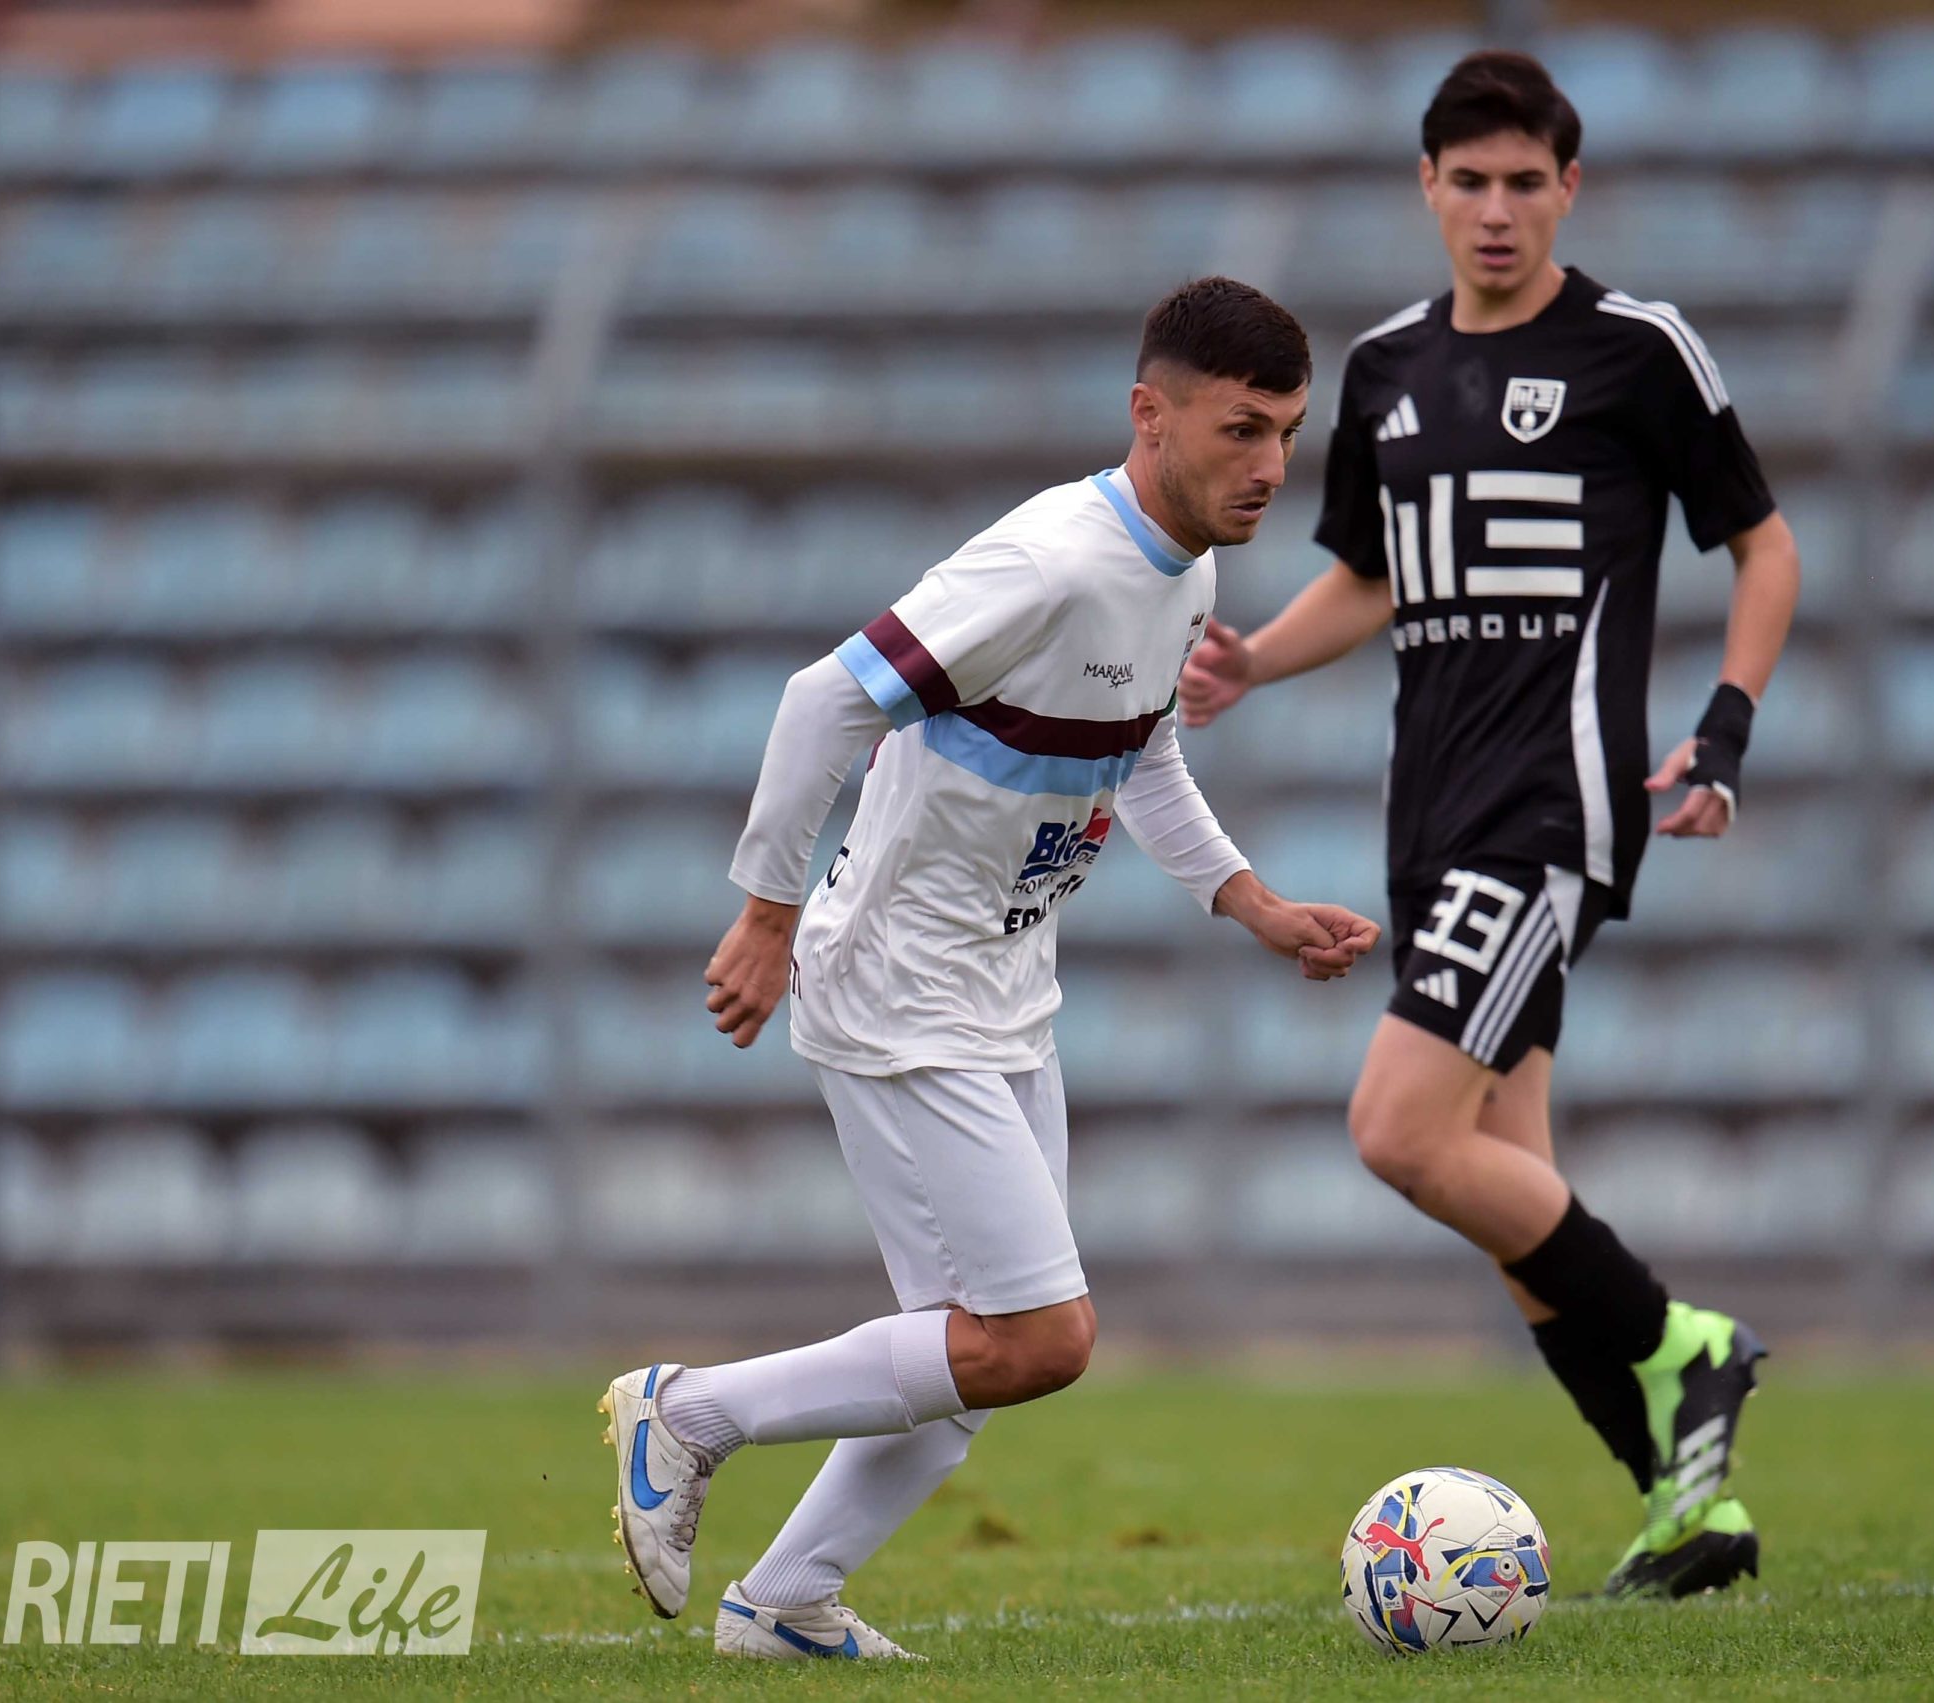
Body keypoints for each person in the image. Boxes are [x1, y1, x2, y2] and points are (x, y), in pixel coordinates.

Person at [600, 276, 1381, 1661]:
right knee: (1040, 1338)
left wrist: (1250, 901)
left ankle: (782, 1607)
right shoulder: (1049, 563)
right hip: (899, 985)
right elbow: (825, 700)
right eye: (1241, 430)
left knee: (973, 1354)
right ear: (1150, 416)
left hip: (1005, 991)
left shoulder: (1186, 567)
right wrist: (764, 914)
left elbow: (1142, 750)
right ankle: (689, 1413)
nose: (1269, 465)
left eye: (1287, 433)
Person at [1179, 51, 1803, 1599]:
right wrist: (1255, 662)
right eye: (1470, 182)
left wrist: (1725, 724)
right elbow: (1372, 579)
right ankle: (1689, 1512)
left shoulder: (1638, 351)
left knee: (1397, 1131)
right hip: (1431, 815)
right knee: (1508, 1184)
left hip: (1549, 811)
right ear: (1429, 188)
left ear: (1569, 189)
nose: (1498, 210)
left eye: (1527, 181)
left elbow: (1765, 544)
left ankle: (1684, 1340)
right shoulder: (1387, 369)